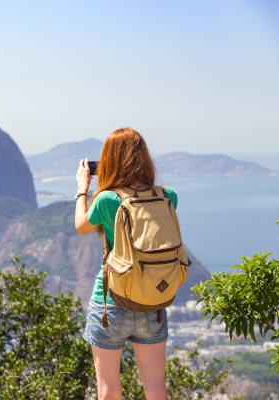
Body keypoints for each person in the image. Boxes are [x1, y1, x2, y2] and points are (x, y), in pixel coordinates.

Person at [74, 127, 176, 400]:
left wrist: (83, 188)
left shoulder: (107, 199)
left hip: (110, 302)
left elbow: (81, 226)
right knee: (155, 389)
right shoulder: (167, 196)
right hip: (153, 300)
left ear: (109, 160)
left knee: (109, 390)